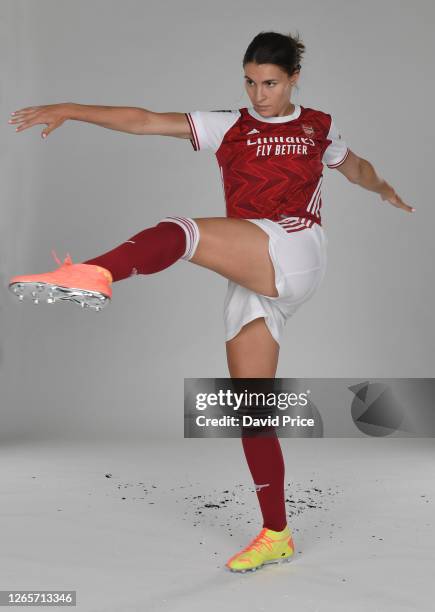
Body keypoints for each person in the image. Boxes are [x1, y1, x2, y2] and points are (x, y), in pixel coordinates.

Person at [7, 30, 415, 573]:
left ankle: (96, 272)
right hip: (252, 265)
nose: (258, 94)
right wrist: (71, 109)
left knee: (182, 231)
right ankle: (277, 533)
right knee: (252, 407)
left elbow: (355, 166)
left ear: (294, 79)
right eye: (249, 82)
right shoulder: (230, 125)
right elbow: (145, 119)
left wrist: (384, 187)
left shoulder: (318, 124)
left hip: (295, 246)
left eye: (270, 83)